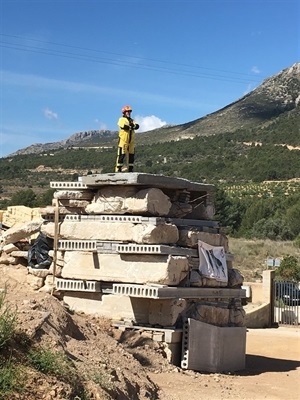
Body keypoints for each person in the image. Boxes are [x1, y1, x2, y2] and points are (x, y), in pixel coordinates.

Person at [115, 105, 139, 172]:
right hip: (123, 140)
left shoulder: (132, 120)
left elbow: (137, 126)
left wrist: (132, 126)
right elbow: (124, 126)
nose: (128, 113)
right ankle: (118, 169)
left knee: (131, 155)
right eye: (127, 112)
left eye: (129, 111)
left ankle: (130, 169)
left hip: (131, 141)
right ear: (124, 112)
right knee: (121, 155)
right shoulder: (121, 119)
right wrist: (132, 127)